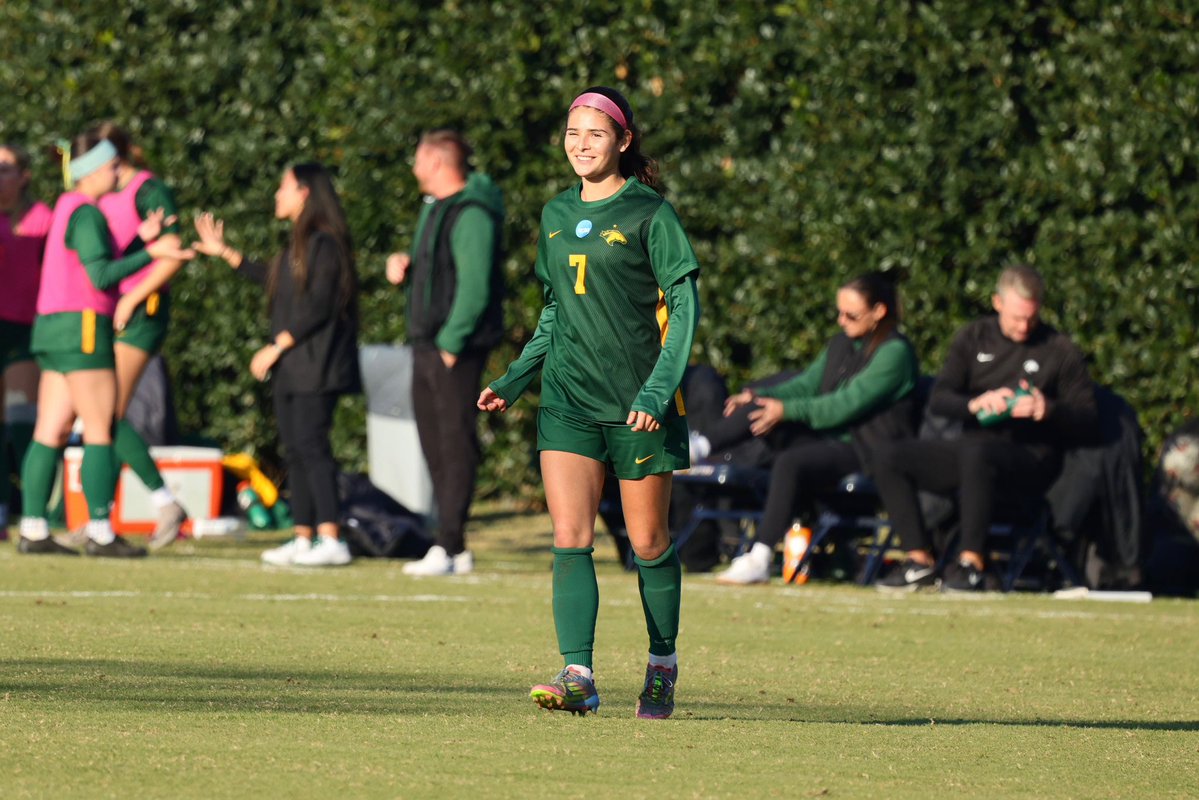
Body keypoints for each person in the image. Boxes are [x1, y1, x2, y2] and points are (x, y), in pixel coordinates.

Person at [478, 86, 701, 719]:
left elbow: (683, 308)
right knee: (570, 536)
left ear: (624, 142)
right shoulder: (553, 214)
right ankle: (579, 673)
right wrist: (517, 376)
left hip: (639, 406)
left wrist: (658, 391)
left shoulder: (651, 215)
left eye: (595, 134)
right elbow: (556, 311)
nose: (581, 145)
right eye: (573, 133)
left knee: (648, 541)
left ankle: (661, 665)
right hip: (568, 400)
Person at [17, 133, 192, 557]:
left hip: (52, 329)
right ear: (93, 171)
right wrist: (153, 252)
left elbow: (92, 261)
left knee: (50, 430)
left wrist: (137, 241)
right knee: (101, 428)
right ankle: (100, 530)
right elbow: (100, 277)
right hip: (84, 329)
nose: (120, 172)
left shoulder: (67, 207)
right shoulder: (88, 213)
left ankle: (34, 528)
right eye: (113, 166)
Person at [873, 265, 1098, 592]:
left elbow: (1088, 419)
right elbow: (940, 398)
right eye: (1016, 318)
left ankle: (971, 563)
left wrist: (1047, 409)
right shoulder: (973, 337)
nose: (1023, 327)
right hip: (971, 449)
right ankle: (919, 560)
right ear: (997, 303)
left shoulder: (1059, 350)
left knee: (977, 454)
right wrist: (975, 404)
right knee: (889, 455)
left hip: (1029, 459)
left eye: (1030, 319)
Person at [193, 163, 361, 567]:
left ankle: (331, 537)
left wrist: (275, 346)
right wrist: (227, 254)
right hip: (293, 367)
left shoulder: (326, 242)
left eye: (282, 187)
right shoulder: (297, 245)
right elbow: (273, 279)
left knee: (313, 447)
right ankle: (303, 537)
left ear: (304, 192)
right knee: (295, 450)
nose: (276, 195)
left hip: (316, 365)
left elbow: (320, 304)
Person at [713, 272, 920, 585]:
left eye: (851, 315)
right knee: (756, 408)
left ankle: (760, 556)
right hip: (830, 440)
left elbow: (844, 405)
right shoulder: (842, 343)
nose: (841, 321)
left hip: (865, 449)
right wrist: (761, 397)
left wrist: (786, 410)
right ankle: (695, 446)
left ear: (879, 312)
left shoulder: (895, 353)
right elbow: (806, 385)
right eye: (839, 313)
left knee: (791, 462)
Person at [384, 130, 505, 577]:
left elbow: (473, 287)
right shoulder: (433, 209)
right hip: (426, 344)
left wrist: (452, 343)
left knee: (455, 443)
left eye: (418, 160)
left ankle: (449, 544)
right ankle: (452, 543)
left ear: (437, 163)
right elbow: (440, 269)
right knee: (436, 444)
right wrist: (405, 266)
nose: (414, 169)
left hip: (451, 348)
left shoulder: (472, 214)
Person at [93, 122, 188, 549]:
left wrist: (133, 300)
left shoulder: (148, 190)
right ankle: (101, 516)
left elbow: (173, 252)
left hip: (141, 311)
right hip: (117, 310)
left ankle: (163, 501)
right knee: (103, 414)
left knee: (106, 413)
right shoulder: (108, 193)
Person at [0, 144, 52, 535]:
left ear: (23, 176)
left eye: (5, 168)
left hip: (23, 329)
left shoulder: (42, 219)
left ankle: (35, 512)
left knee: (20, 419)